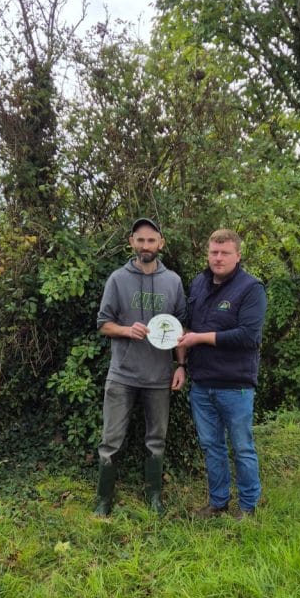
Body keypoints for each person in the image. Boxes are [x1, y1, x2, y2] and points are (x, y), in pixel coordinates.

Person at [94, 217, 187, 516]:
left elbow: (181, 330)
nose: (146, 245)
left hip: (159, 377)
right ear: (132, 242)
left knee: (156, 440)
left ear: (161, 243)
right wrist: (125, 330)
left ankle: (154, 497)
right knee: (111, 441)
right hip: (122, 376)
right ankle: (103, 500)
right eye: (140, 240)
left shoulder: (173, 282)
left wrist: (181, 365)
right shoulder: (117, 279)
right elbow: (103, 324)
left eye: (151, 240)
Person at [179, 229, 267, 519]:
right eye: (214, 252)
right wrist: (181, 359)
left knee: (241, 447)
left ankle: (248, 507)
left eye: (225, 253)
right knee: (211, 446)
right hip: (201, 384)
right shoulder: (198, 284)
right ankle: (218, 503)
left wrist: (200, 338)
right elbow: (187, 327)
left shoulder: (251, 288)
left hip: (235, 386)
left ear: (238, 255)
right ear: (208, 253)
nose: (218, 258)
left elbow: (248, 336)